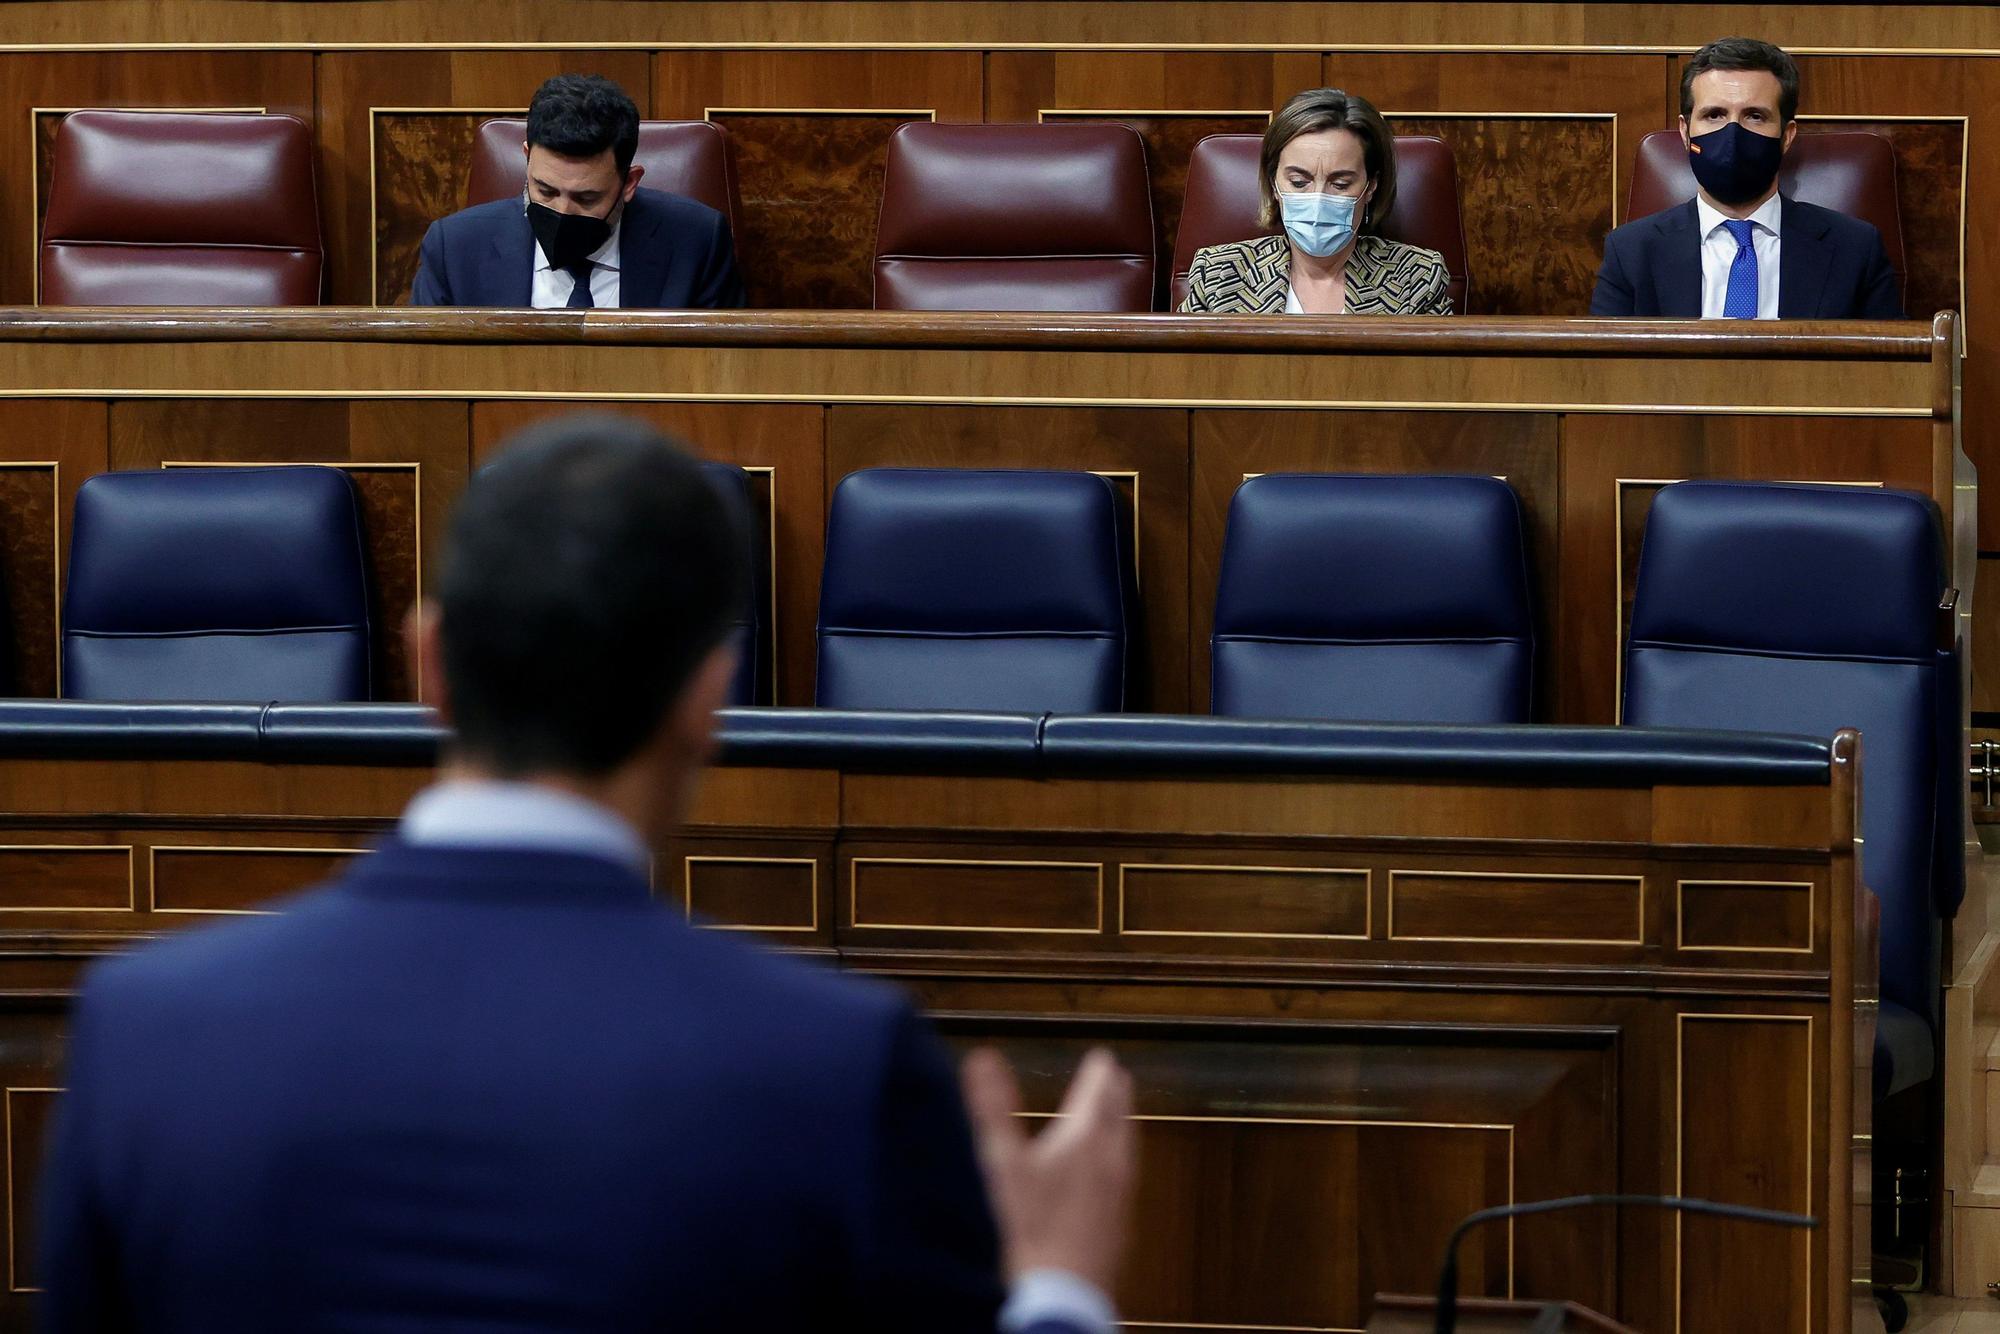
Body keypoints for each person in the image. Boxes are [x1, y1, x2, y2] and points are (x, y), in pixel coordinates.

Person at [37, 415, 1134, 1334]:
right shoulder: (836, 1065)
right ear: (710, 696)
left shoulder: (142, 1028)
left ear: (430, 661)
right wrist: (1058, 1289)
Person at [1590, 37, 1902, 319]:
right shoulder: (1630, 251)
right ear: (1686, 132)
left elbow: (1889, 374)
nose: (1733, 134)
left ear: (1787, 136)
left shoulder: (1855, 249)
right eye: (1714, 115)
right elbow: (1604, 375)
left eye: (1755, 115)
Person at [410, 74, 745, 309]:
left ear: (629, 183)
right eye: (545, 190)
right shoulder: (453, 247)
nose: (562, 212)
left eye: (586, 198)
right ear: (527, 159)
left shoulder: (697, 242)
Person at [1180, 87, 1452, 316]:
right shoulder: (1219, 271)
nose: (1318, 199)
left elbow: (1437, 378)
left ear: (1370, 187)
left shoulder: (1417, 277)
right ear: (1274, 183)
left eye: (1340, 183)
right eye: (1299, 183)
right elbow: (1182, 374)